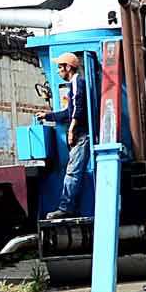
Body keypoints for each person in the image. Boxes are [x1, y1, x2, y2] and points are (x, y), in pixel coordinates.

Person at [43, 51, 93, 217]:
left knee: (72, 173)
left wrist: (71, 130)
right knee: (73, 172)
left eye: (59, 67)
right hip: (79, 136)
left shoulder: (77, 82)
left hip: (81, 137)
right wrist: (47, 116)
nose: (58, 71)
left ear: (68, 67)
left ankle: (66, 208)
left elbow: (77, 110)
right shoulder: (74, 85)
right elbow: (68, 112)